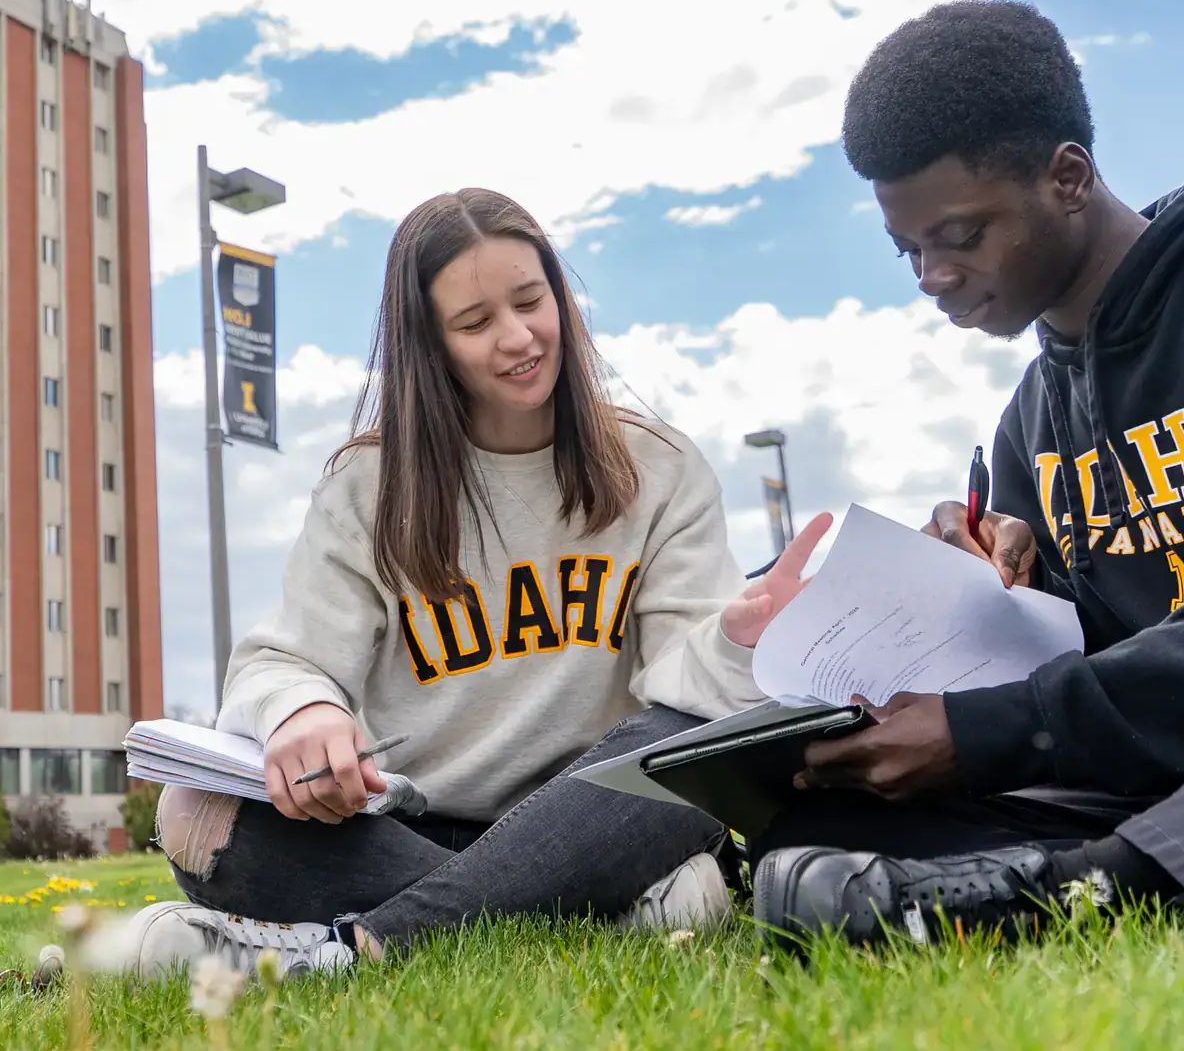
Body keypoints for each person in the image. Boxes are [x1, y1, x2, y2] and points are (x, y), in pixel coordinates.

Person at [743, 0, 1184, 943]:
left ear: (1068, 178)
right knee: (821, 822)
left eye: (961, 236)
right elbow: (1086, 670)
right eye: (910, 250)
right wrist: (986, 599)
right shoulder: (1032, 417)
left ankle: (1094, 887)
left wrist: (995, 728)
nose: (932, 276)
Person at [121, 188, 825, 976]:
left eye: (531, 301)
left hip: (598, 813)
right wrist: (304, 710)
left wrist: (737, 641)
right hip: (414, 828)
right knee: (199, 811)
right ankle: (604, 913)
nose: (518, 337)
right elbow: (280, 662)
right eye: (475, 321)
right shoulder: (367, 487)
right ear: (431, 344)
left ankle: (345, 950)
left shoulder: (659, 468)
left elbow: (684, 691)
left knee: (681, 753)